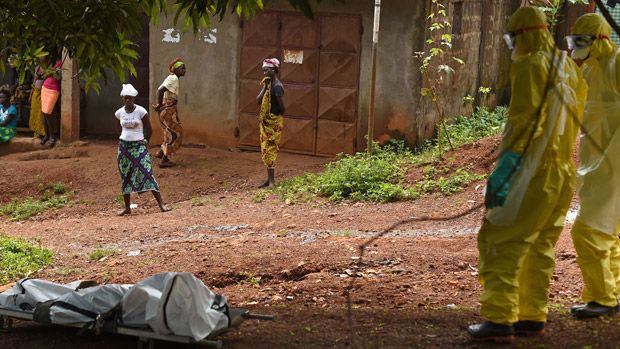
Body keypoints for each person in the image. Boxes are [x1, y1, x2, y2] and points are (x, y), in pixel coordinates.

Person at [468, 6, 587, 342]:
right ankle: (532, 315)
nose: (512, 47)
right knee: (540, 247)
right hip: (562, 173)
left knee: (501, 241)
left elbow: (523, 123)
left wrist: (505, 172)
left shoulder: (531, 65)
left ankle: (499, 320)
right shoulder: (567, 66)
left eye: (511, 38)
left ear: (523, 35)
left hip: (532, 171)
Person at [566, 14, 620, 319]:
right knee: (606, 231)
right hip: (596, 163)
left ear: (599, 39)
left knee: (587, 230)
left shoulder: (616, 65)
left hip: (615, 162)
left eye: (583, 40)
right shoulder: (590, 71)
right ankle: (613, 292)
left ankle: (603, 299)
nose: (578, 47)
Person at [116, 84, 170, 216]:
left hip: (139, 146)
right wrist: (122, 139)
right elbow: (118, 129)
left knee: (147, 171)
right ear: (123, 98)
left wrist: (145, 141)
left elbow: (149, 129)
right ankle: (127, 208)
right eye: (126, 98)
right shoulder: (119, 112)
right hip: (124, 148)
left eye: (130, 98)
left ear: (134, 98)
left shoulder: (141, 111)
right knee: (125, 175)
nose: (128, 100)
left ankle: (161, 204)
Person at [255, 58, 285, 188]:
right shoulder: (267, 84)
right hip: (266, 122)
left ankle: (272, 181)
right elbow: (258, 100)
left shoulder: (278, 87)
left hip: (274, 123)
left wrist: (274, 117)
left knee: (271, 149)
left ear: (273, 70)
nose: (264, 73)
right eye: (263, 70)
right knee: (266, 149)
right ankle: (269, 180)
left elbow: (282, 108)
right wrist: (265, 87)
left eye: (266, 70)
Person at [153, 58, 185, 168]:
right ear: (175, 69)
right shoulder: (174, 78)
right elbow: (160, 90)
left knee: (169, 133)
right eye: (181, 68)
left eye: (184, 68)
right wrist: (159, 104)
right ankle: (164, 160)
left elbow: (170, 97)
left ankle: (161, 152)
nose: (184, 70)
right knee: (175, 135)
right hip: (167, 110)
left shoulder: (172, 77)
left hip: (168, 110)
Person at [40, 59, 62, 147]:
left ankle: (52, 137)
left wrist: (51, 71)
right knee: (44, 113)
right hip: (45, 88)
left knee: (48, 113)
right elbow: (43, 75)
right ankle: (47, 135)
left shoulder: (62, 64)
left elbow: (58, 77)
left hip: (53, 90)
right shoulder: (50, 63)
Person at [29, 57, 47, 142]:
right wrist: (31, 94)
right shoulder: (37, 67)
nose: (41, 57)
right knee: (34, 110)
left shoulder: (48, 67)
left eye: (43, 55)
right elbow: (34, 80)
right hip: (36, 91)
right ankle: (36, 132)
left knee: (41, 112)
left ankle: (42, 132)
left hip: (44, 91)